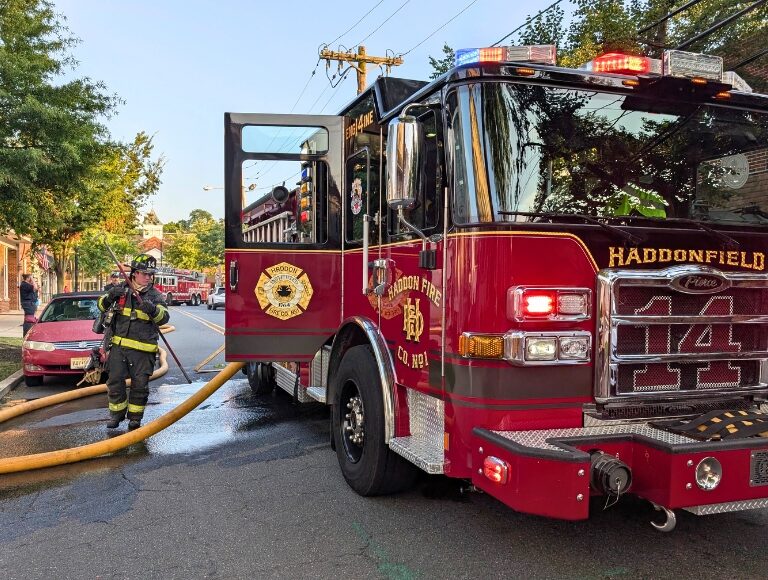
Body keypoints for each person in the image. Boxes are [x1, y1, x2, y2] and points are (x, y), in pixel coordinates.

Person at [97, 254, 169, 430]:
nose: (148, 277)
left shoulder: (155, 295)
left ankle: (135, 418)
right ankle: (116, 415)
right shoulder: (121, 290)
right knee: (114, 382)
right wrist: (110, 296)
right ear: (135, 273)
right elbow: (100, 306)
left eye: (151, 274)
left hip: (144, 350)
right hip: (119, 347)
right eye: (145, 274)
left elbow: (164, 317)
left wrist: (153, 310)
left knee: (140, 386)